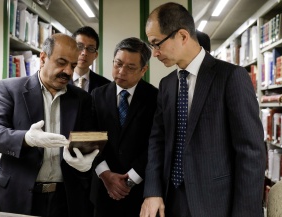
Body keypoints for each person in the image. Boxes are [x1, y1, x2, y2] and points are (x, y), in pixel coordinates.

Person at [140, 2, 266, 217]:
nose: (154, 53)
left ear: (182, 36)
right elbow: (157, 141)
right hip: (171, 199)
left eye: (156, 43)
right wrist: (152, 191)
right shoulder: (167, 85)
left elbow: (251, 153)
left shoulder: (231, 77)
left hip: (216, 202)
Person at [0, 33, 98, 217]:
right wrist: (26, 139)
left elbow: (88, 140)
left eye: (73, 66)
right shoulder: (11, 89)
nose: (68, 71)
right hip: (16, 195)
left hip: (64, 199)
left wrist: (86, 163)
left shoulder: (82, 99)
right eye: (61, 62)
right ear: (43, 58)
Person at [90, 37, 158, 217]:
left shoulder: (155, 97)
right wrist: (105, 174)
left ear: (144, 69)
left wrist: (130, 180)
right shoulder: (97, 95)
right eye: (118, 64)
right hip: (102, 190)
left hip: (139, 190)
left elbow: (156, 142)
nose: (121, 71)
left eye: (130, 67)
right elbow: (90, 138)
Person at [71, 26, 111, 93]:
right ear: (71, 49)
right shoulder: (58, 81)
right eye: (80, 46)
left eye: (91, 49)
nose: (84, 53)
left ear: (96, 55)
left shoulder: (106, 86)